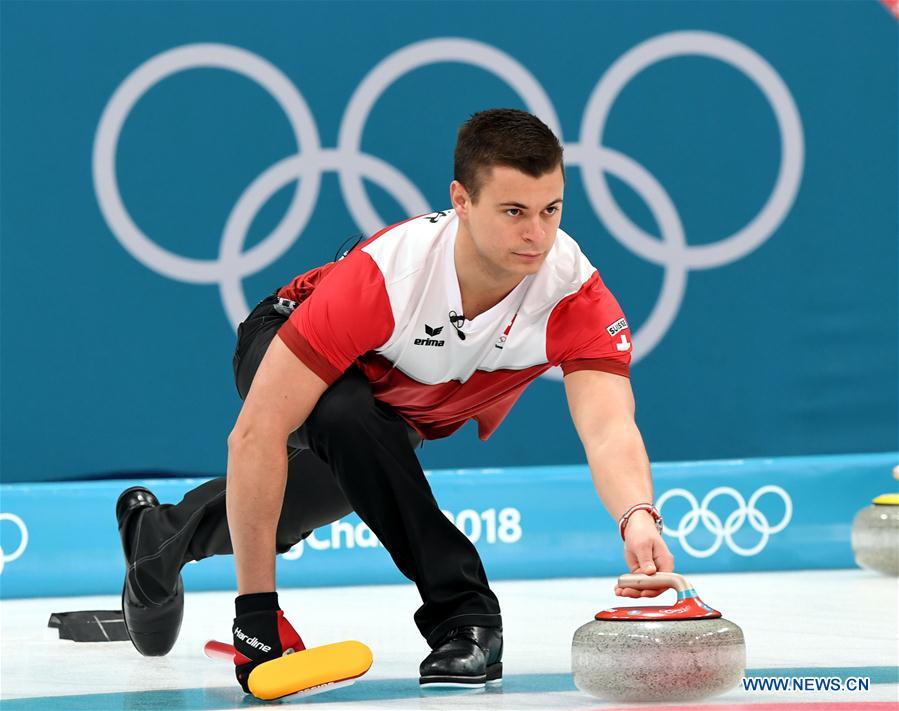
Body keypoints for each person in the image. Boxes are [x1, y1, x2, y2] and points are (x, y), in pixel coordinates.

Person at [115, 108, 674, 695]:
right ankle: (465, 615)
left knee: (304, 501)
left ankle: (157, 538)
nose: (536, 235)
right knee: (343, 414)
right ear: (461, 199)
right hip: (285, 339)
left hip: (392, 409)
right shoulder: (388, 278)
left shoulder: (574, 297)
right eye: (514, 212)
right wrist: (256, 617)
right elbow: (255, 437)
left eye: (551, 210)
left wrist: (637, 515)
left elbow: (609, 428)